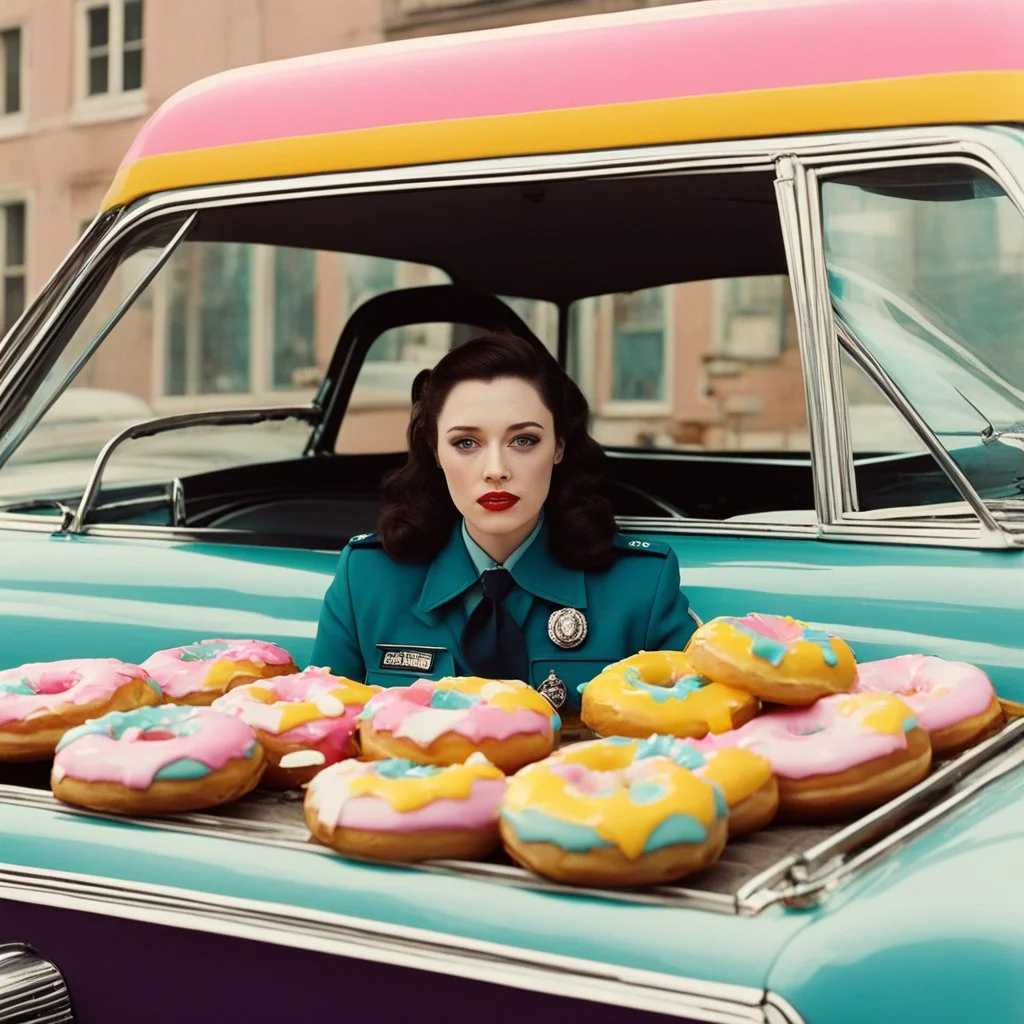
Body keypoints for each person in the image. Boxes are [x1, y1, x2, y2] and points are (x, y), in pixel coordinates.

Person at [309, 331, 695, 723]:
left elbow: (694, 736)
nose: (496, 470)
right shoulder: (368, 580)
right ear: (434, 451)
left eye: (524, 440)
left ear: (559, 446)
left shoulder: (640, 587)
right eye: (465, 443)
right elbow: (324, 735)